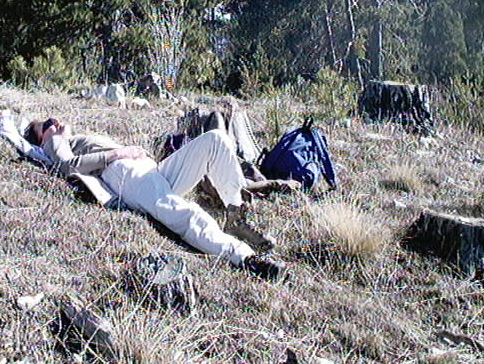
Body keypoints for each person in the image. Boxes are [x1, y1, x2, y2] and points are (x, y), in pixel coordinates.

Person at [23, 117, 290, 281]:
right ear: (41, 137)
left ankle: (235, 214)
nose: (55, 124)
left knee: (216, 140)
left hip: (149, 170)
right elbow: (68, 166)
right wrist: (116, 155)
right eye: (47, 125)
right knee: (183, 213)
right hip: (123, 172)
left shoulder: (71, 136)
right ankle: (246, 259)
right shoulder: (54, 142)